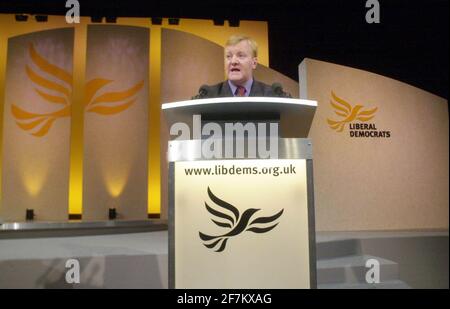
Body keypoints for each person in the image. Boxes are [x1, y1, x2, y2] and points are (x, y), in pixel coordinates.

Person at [192, 35, 290, 99]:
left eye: (240, 55)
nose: (233, 61)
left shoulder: (272, 95)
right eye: (228, 56)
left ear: (254, 63)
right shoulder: (208, 96)